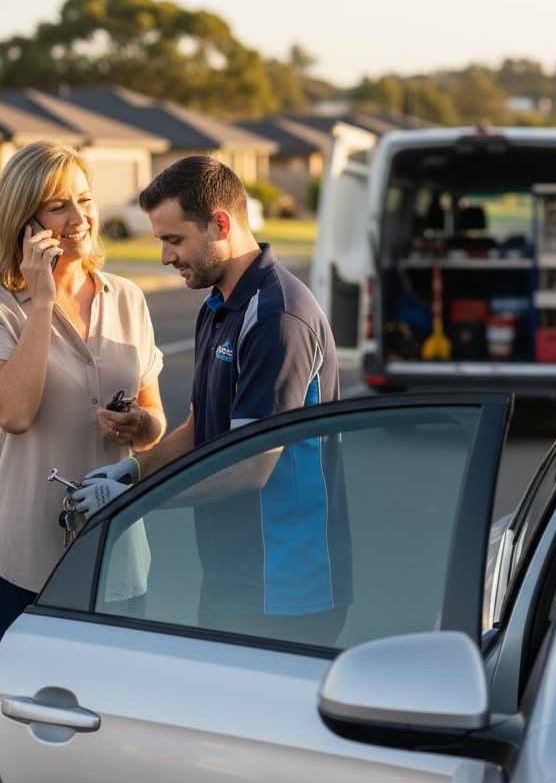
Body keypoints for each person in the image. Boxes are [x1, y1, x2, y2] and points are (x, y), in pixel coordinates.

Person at [0, 140, 166, 783]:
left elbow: (155, 421)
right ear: (25, 219)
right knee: (48, 760)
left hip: (121, 559)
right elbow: (13, 411)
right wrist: (43, 299)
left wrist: (135, 433)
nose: (79, 216)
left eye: (84, 199)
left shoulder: (127, 299)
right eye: (58, 204)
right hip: (25, 561)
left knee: (121, 748)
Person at [71, 154, 349, 641]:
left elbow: (251, 464)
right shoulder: (218, 305)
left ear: (220, 224)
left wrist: (133, 501)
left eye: (173, 240)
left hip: (286, 589)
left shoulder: (277, 317)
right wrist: (134, 468)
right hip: (231, 577)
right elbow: (203, 429)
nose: (164, 256)